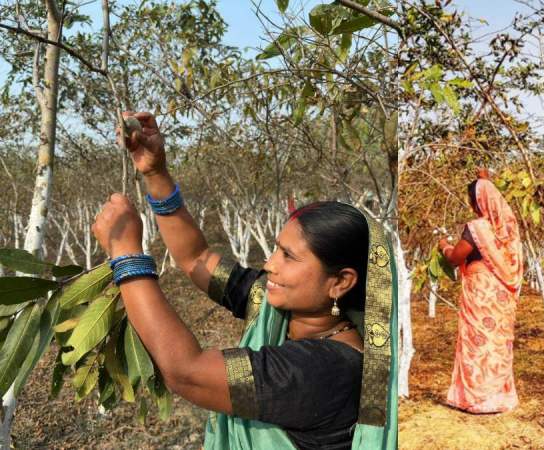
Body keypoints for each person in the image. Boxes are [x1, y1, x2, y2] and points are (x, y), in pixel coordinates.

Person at [90, 111, 397, 450]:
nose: (269, 265)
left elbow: (186, 372)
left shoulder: (326, 371)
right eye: (276, 250)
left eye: (288, 256)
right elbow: (198, 259)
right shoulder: (276, 308)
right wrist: (156, 173)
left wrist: (125, 253)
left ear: (340, 282)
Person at [437, 170, 523, 413]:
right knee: (497, 342)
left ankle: (478, 398)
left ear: (478, 202)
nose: (473, 206)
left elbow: (455, 258)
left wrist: (444, 246)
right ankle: (498, 397)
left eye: (473, 200)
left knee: (478, 342)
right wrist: (486, 181)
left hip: (481, 294)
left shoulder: (477, 229)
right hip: (502, 296)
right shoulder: (508, 230)